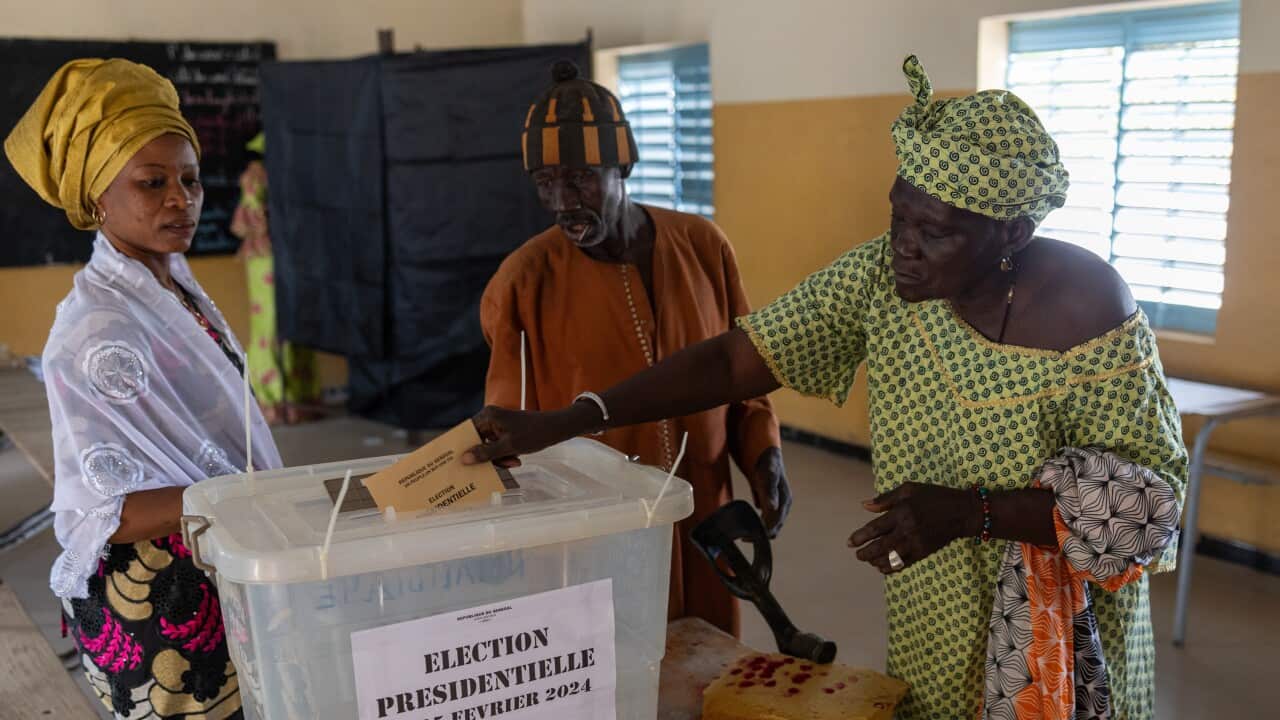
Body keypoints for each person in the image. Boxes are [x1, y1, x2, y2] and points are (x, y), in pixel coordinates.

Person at [465, 56, 1187, 720]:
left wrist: (977, 514)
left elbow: (1152, 508)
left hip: (1058, 623)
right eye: (898, 214)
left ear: (1013, 234)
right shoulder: (883, 278)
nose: (903, 243)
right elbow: (732, 363)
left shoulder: (1089, 310)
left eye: (933, 232)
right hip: (933, 605)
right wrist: (570, 418)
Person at [5, 58, 281, 719]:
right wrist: (250, 496)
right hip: (158, 603)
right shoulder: (96, 328)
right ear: (99, 196)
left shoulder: (173, 289)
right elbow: (111, 510)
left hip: (213, 556)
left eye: (189, 180)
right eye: (151, 182)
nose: (180, 199)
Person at [479, 60, 790, 637]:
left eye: (580, 179)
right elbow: (507, 425)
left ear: (623, 165)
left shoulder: (703, 246)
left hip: (707, 512)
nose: (563, 202)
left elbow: (747, 372)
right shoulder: (523, 281)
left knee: (709, 665)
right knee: (617, 665)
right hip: (601, 527)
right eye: (546, 184)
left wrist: (763, 455)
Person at [230, 134, 320, 425]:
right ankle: (285, 400)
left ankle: (283, 401)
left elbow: (249, 219)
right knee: (278, 326)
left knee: (280, 326)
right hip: (279, 256)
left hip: (281, 256)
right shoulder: (272, 176)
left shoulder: (272, 176)